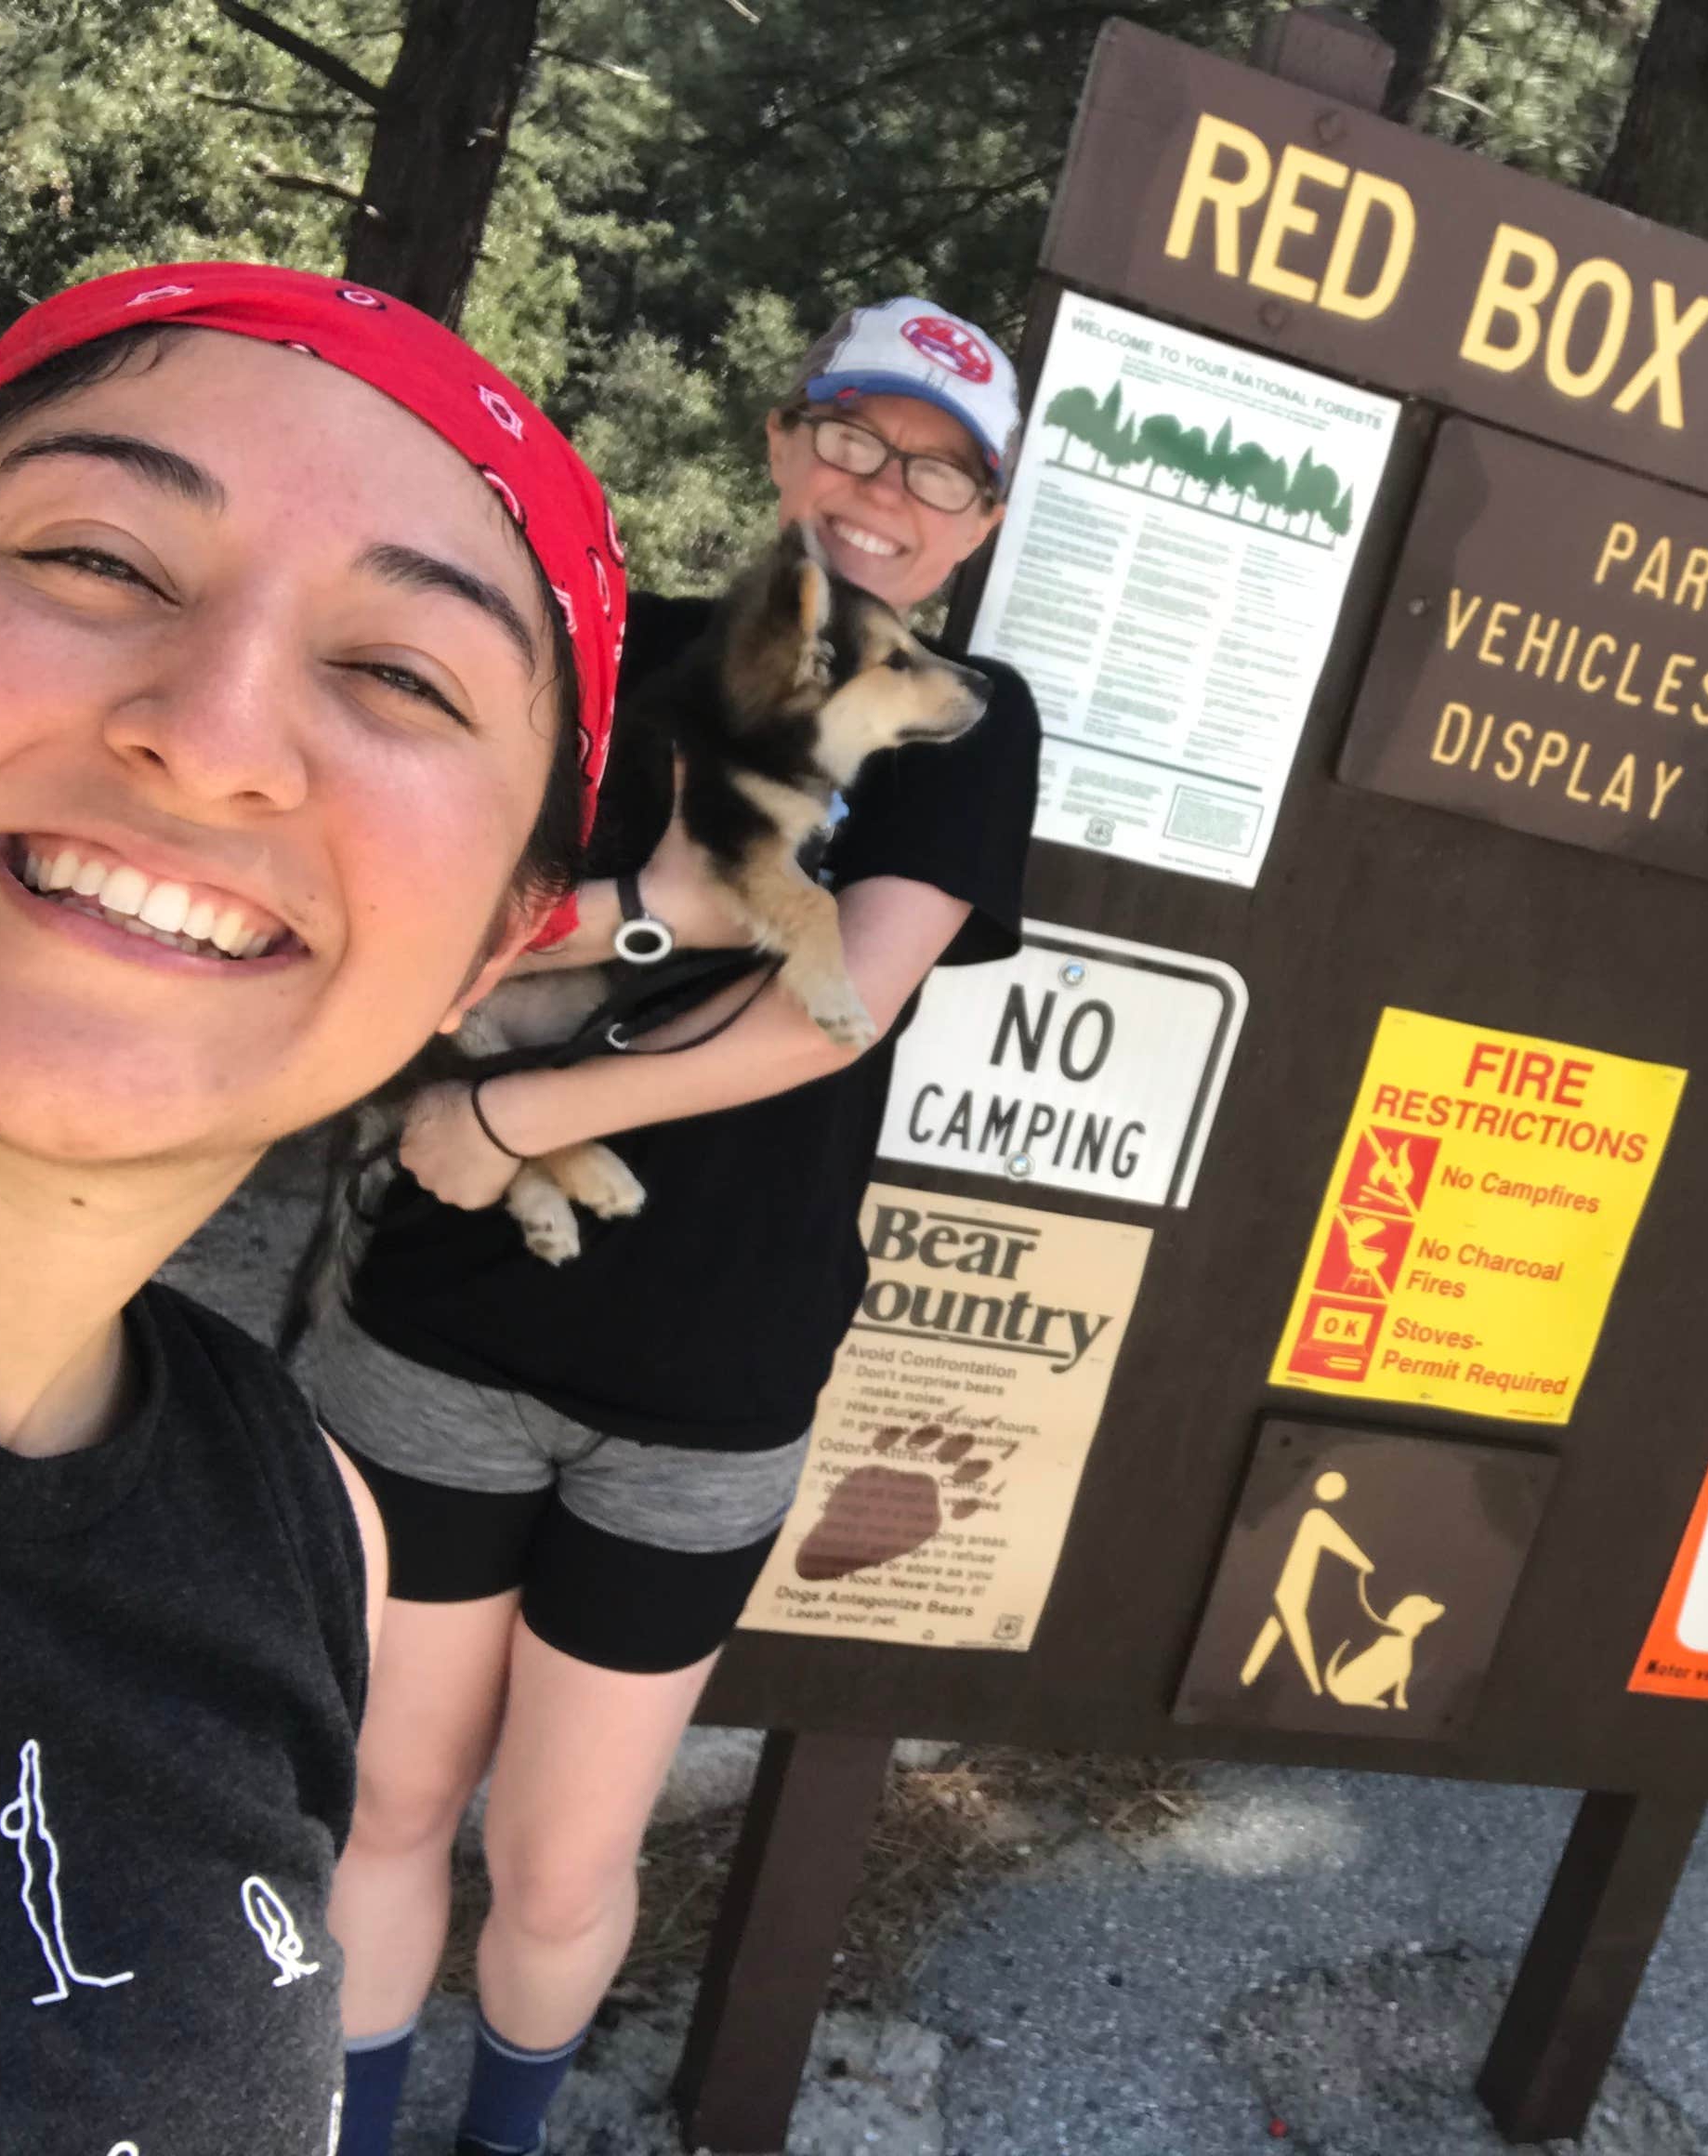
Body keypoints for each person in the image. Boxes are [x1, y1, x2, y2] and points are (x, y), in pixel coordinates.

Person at [292, 296, 1041, 2156]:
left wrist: (510, 1111)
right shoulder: (601, 658)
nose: (885, 491)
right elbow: (457, 921)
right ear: (787, 442)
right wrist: (667, 905)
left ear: (980, 524)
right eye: (856, 436)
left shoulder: (965, 724)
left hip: (707, 1382)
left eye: (940, 472)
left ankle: (504, 2136)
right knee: (384, 1805)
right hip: (442, 1331)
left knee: (560, 1863)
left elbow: (832, 1009)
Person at [0, 263, 621, 2153]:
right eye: (94, 557)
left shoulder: (303, 1516)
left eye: (401, 675)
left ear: (494, 948)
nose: (217, 731)